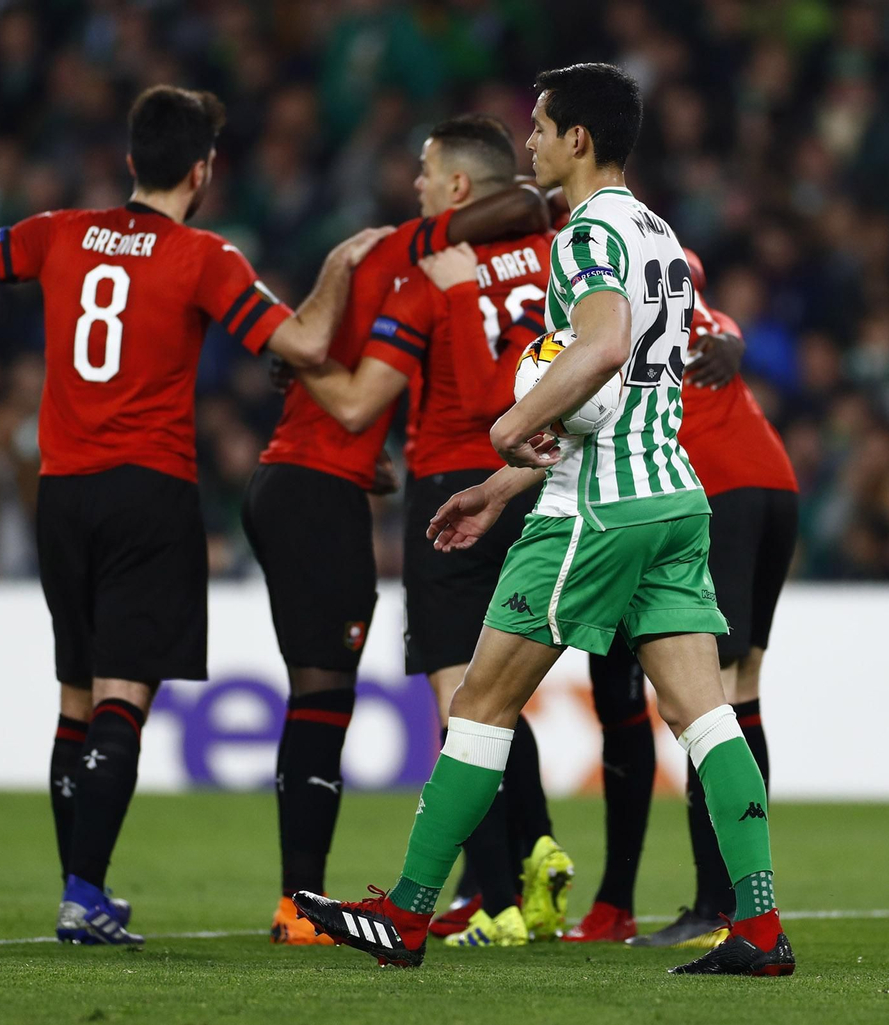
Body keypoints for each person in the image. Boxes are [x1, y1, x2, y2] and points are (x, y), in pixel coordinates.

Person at [292, 63, 795, 977]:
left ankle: (406, 913)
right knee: (706, 716)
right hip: (674, 499)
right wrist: (497, 484)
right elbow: (630, 386)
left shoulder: (589, 235)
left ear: (578, 140)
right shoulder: (658, 233)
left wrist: (508, 423)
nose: (526, 142)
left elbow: (601, 348)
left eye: (539, 127)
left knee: (480, 701)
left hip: (595, 512)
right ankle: (758, 923)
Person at [0, 84, 391, 947]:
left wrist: (11, 245)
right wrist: (338, 268)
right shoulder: (204, 256)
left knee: (75, 697)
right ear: (204, 169)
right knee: (122, 698)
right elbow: (298, 344)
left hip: (60, 493)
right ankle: (83, 895)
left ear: (134, 161)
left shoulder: (59, 232)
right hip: (147, 490)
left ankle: (82, 887)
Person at [292, 114, 570, 948]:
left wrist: (288, 345)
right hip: (545, 477)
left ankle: (495, 903)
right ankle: (537, 857)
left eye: (424, 170)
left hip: (458, 486)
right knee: (506, 690)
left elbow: (356, 401)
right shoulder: (561, 256)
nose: (413, 183)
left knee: (463, 707)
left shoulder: (427, 277)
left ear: (456, 187)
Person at [571, 254, 799, 947]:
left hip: (720, 487)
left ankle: (718, 905)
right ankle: (735, 896)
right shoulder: (692, 305)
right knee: (743, 689)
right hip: (773, 482)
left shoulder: (608, 307)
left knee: (707, 701)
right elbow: (716, 315)